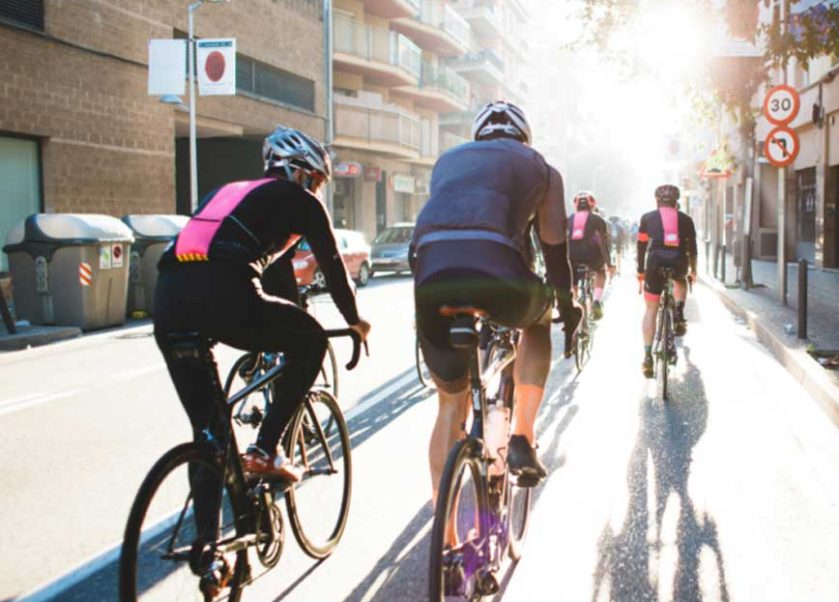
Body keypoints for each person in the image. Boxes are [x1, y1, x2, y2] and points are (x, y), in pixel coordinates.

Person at [153, 126, 372, 483]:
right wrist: (354, 320)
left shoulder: (229, 192)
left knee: (210, 435)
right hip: (224, 291)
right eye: (316, 181)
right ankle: (265, 449)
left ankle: (206, 537)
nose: (317, 191)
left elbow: (275, 273)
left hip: (168, 299)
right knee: (313, 340)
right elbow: (332, 266)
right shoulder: (300, 200)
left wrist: (285, 317)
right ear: (300, 172)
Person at [411, 101, 581, 496]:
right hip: (499, 274)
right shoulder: (541, 168)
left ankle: (447, 541)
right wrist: (567, 306)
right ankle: (522, 435)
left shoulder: (448, 161)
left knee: (448, 407)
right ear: (525, 137)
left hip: (432, 276)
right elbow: (554, 249)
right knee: (537, 320)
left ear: (478, 137)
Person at [637, 183, 697, 378]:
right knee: (681, 281)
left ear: (657, 201)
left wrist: (640, 271)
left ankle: (647, 356)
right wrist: (693, 271)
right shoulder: (686, 220)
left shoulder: (647, 218)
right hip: (679, 262)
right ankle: (678, 311)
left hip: (654, 263)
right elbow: (692, 249)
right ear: (676, 202)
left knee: (651, 309)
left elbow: (641, 246)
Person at [567, 191, 612, 319]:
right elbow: (604, 243)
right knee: (600, 272)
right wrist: (608, 263)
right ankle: (597, 301)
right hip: (592, 255)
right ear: (592, 205)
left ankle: (574, 301)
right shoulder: (598, 219)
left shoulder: (569, 219)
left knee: (572, 278)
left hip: (572, 255)